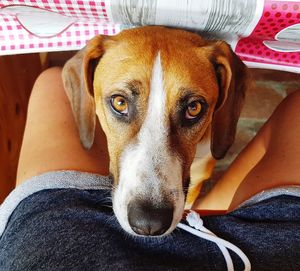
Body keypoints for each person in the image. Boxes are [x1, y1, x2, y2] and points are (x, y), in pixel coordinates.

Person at [0, 67, 299, 271]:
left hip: (65, 245)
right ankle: (201, 217)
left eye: (192, 108)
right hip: (262, 252)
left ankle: (198, 215)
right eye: (120, 103)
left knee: (54, 82)